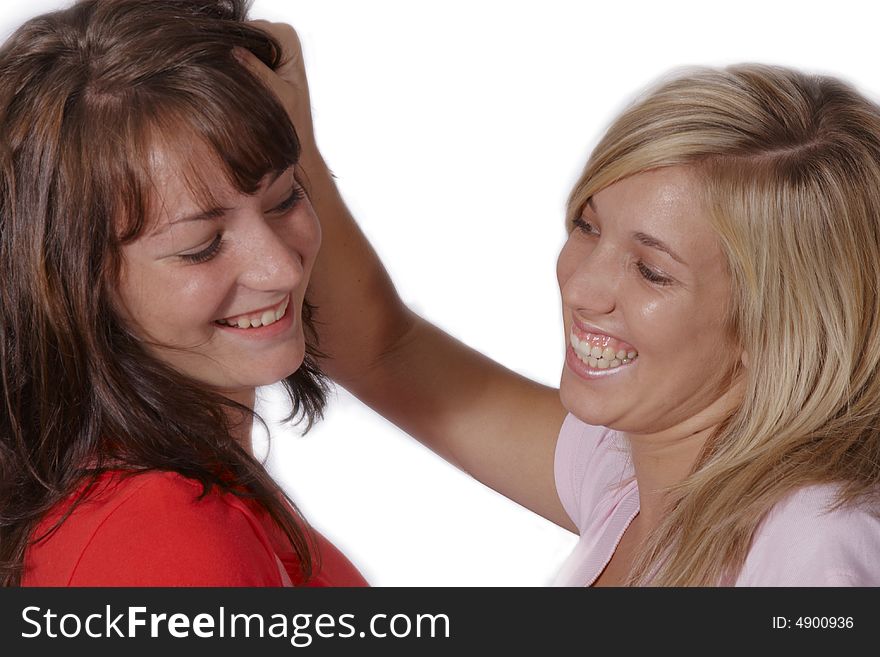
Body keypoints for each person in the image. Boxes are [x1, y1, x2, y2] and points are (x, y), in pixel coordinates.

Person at [243, 31, 880, 584]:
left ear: (781, 323)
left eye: (652, 271)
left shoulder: (814, 550)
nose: (580, 287)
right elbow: (383, 353)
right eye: (588, 225)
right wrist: (293, 146)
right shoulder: (630, 473)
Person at [0, 0, 367, 586]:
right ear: (74, 284)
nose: (281, 269)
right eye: (201, 245)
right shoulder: (172, 542)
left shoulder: (158, 493)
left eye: (285, 199)